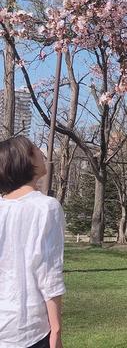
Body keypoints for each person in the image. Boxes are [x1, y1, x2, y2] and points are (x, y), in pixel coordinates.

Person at [0, 137, 66, 348]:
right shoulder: (46, 208)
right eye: (38, 150)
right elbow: (48, 272)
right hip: (28, 328)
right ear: (27, 160)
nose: (43, 155)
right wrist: (56, 330)